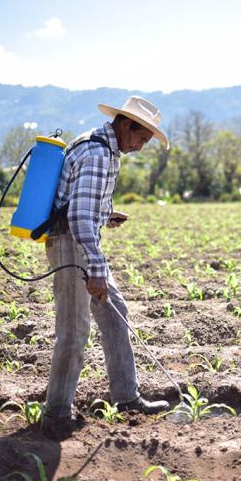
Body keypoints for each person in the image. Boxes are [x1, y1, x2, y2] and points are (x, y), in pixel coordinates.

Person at [42, 96, 170, 439]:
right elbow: (80, 217)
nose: (141, 147)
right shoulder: (98, 153)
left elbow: (81, 203)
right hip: (73, 246)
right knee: (74, 329)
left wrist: (106, 215)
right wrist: (96, 270)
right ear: (126, 125)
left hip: (79, 241)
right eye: (141, 139)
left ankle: (127, 397)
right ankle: (56, 413)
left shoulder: (101, 147)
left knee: (115, 312)